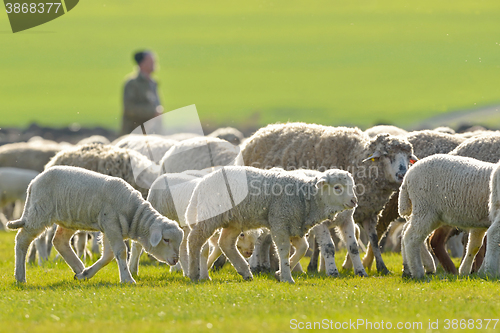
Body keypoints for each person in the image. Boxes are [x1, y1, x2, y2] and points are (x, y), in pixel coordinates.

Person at [121, 50, 163, 135]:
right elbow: (129, 109)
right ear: (142, 64)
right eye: (150, 61)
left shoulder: (153, 83)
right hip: (134, 133)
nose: (154, 63)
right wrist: (152, 112)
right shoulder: (132, 83)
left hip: (150, 133)